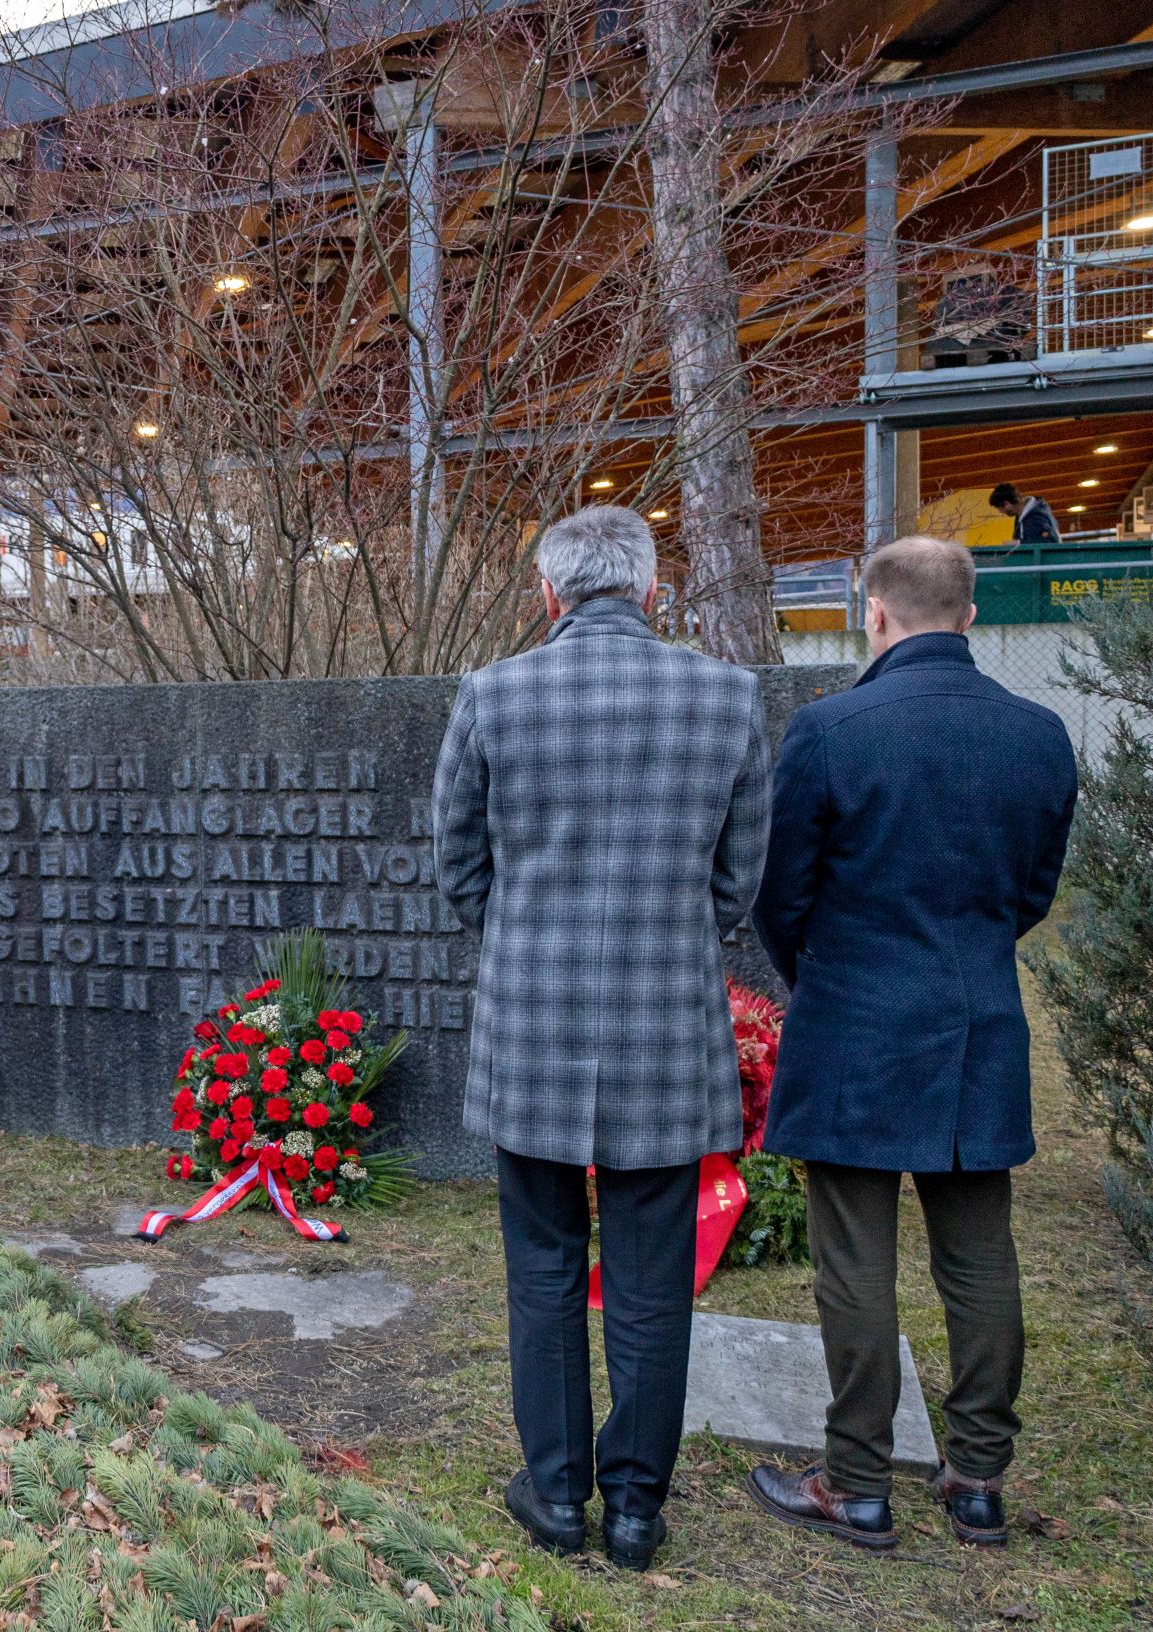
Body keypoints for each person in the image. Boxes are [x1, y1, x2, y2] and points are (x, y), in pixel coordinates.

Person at [432, 505, 769, 1571]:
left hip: (532, 1023)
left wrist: (529, 940)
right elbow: (736, 882)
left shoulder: (492, 693)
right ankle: (633, 1509)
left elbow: (457, 869)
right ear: (650, 590)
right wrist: (666, 936)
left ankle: (555, 1494)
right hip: (663, 1025)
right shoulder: (725, 697)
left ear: (548, 593)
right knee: (649, 1276)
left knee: (538, 1269)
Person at [746, 536, 1078, 1552]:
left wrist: (826, 977)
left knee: (854, 1259)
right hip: (975, 1016)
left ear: (872, 611)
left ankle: (854, 1482)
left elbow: (777, 897)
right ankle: (975, 1476)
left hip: (852, 1017)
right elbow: (1031, 890)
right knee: (979, 1256)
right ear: (967, 615)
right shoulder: (1038, 734)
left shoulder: (830, 728)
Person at [988, 483, 1059, 544]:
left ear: (1007, 504)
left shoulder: (1038, 516)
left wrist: (1018, 543)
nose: (1000, 512)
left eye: (1000, 509)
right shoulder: (1022, 517)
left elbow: (1051, 541)